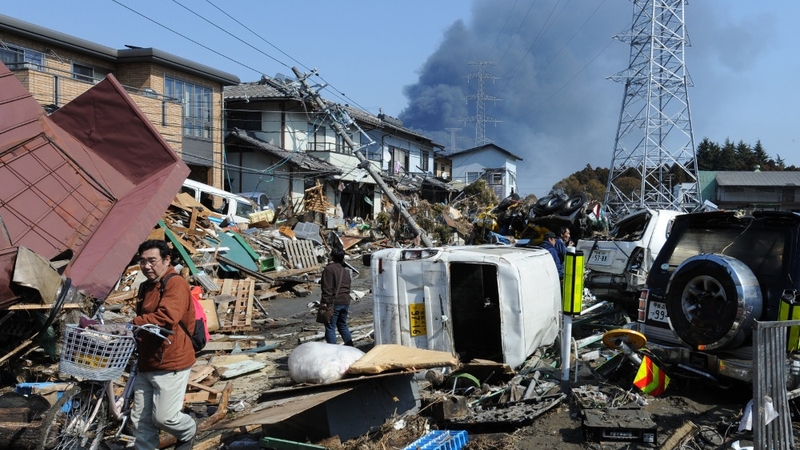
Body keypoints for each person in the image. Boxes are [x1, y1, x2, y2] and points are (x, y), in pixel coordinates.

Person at [130, 240, 197, 450]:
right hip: (147, 361)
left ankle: (189, 430)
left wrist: (132, 324)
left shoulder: (175, 283)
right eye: (142, 261)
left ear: (166, 260)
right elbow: (144, 318)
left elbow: (167, 316)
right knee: (140, 421)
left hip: (171, 360)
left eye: (152, 261)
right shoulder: (146, 286)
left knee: (164, 418)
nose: (147, 266)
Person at [321, 246, 353, 346]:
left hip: (334, 302)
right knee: (342, 325)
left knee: (330, 327)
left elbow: (327, 288)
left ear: (332, 256)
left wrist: (325, 303)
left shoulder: (329, 269)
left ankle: (333, 350)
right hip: (345, 301)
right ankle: (350, 347)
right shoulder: (346, 271)